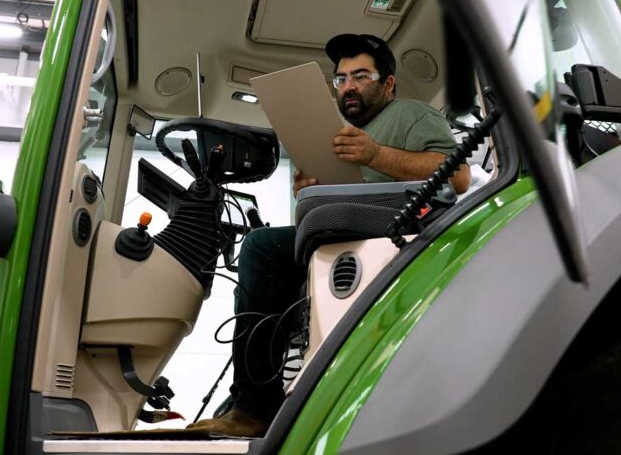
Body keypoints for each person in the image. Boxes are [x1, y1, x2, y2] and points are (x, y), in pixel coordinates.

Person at [189, 33, 471, 437]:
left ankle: (252, 409)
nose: (348, 86)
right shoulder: (339, 132)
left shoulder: (411, 114)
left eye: (361, 76)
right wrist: (311, 190)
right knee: (268, 257)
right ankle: (255, 401)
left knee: (262, 248)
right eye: (340, 79)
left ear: (388, 83)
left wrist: (376, 155)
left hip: (387, 232)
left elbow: (457, 175)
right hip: (343, 229)